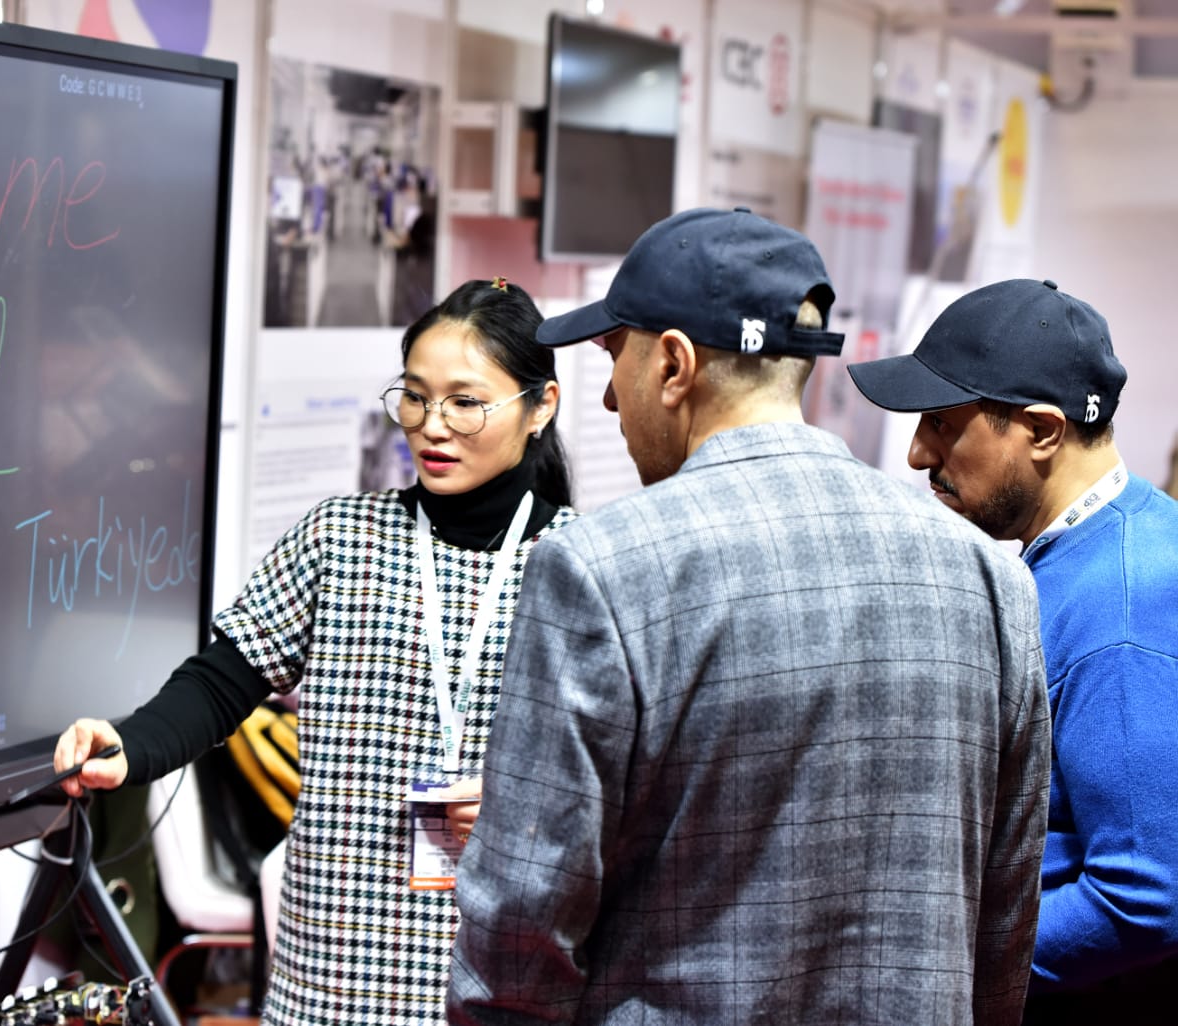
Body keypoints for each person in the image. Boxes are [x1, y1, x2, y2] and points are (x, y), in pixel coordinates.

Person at [447, 209, 1052, 1025]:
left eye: (614, 355)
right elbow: (1005, 910)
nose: (609, 395)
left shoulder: (600, 568)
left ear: (673, 364)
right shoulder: (989, 575)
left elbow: (524, 925)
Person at [55, 277, 579, 1025]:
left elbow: (626, 778)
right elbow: (224, 679)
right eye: (414, 397)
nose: (432, 426)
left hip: (499, 963)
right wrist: (129, 745)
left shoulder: (580, 565)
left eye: (466, 402)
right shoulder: (341, 538)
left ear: (541, 406)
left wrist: (521, 808)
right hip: (332, 966)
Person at [848, 278, 1178, 1024]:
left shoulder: (1123, 607)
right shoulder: (1087, 551)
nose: (917, 452)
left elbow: (1145, 895)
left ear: (1043, 430)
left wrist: (946, 966)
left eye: (942, 423)